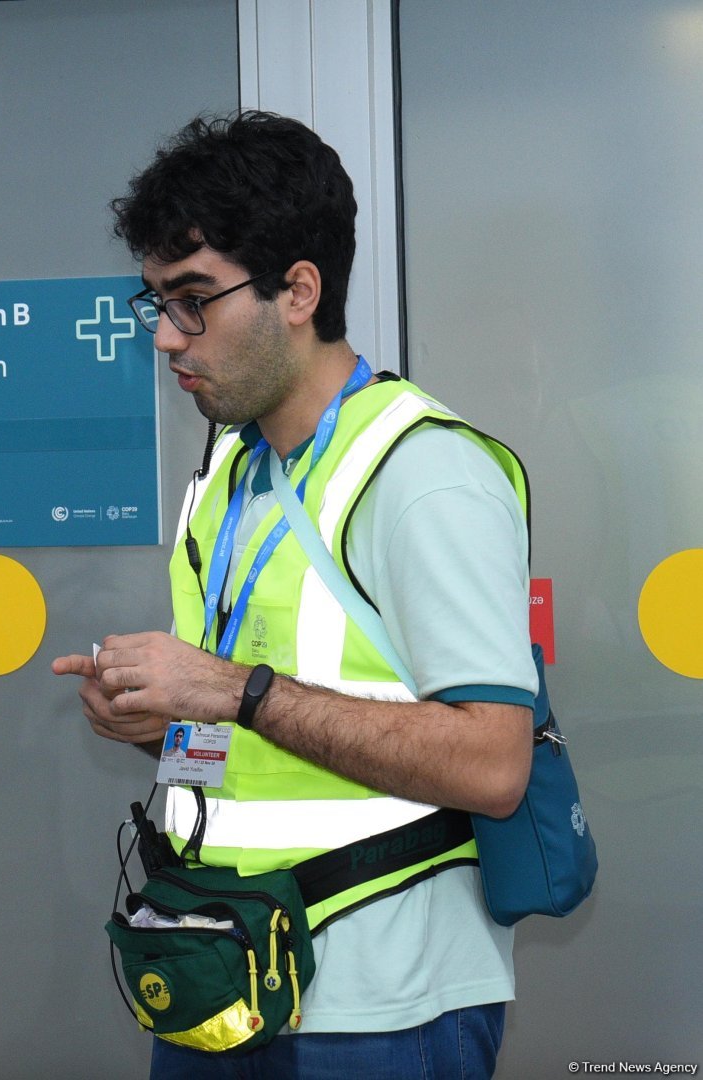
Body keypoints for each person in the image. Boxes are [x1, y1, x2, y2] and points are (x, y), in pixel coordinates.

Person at [52, 112, 535, 1078]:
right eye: (152, 300)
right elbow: (250, 745)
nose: (163, 337)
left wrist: (230, 687)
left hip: (381, 1006)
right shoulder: (229, 472)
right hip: (223, 980)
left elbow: (492, 765)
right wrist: (161, 720)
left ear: (298, 291)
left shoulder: (421, 473)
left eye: (192, 299)